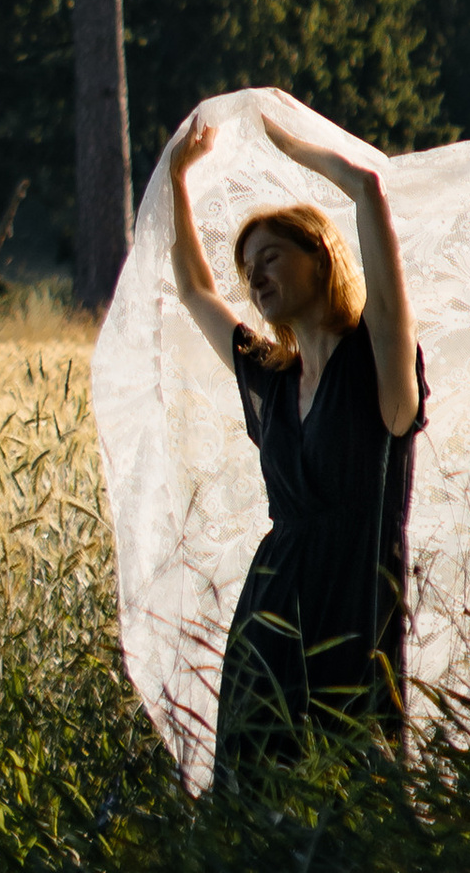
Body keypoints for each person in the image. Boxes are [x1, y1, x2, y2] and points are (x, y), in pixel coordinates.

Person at [167, 93, 428, 784]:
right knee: (254, 802)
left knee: (353, 793)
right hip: (272, 612)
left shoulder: (380, 364)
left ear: (319, 257)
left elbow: (369, 190)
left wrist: (306, 157)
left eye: (271, 256)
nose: (254, 276)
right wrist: (178, 182)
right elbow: (196, 291)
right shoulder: (272, 381)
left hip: (355, 607)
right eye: (248, 266)